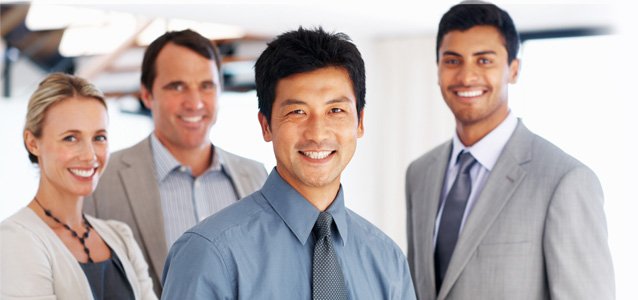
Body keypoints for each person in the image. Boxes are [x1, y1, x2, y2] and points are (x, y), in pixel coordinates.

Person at [161, 27, 416, 299]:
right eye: (297, 112)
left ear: (360, 122)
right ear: (266, 125)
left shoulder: (388, 260)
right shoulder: (210, 254)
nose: (317, 134)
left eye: (335, 111)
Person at [405, 2, 615, 299]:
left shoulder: (565, 180)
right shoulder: (419, 173)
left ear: (513, 70)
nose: (466, 77)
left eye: (484, 61)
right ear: (438, 69)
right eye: (452, 61)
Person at [84, 29, 268, 295]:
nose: (194, 103)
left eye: (206, 86)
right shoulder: (103, 179)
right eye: (177, 86)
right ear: (147, 95)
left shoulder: (256, 176)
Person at [0, 73, 157, 300]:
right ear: (33, 143)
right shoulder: (15, 240)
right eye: (71, 138)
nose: (90, 155)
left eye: (99, 137)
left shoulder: (120, 237)